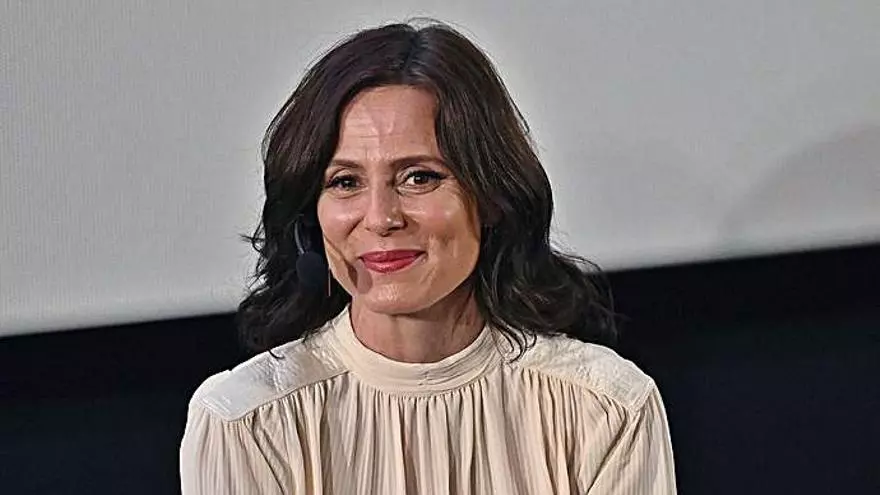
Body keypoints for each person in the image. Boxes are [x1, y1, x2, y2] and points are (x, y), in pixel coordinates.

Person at [180, 20, 676, 494]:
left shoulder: (606, 408)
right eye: (345, 182)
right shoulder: (246, 422)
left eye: (419, 177)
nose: (381, 218)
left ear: (492, 197)